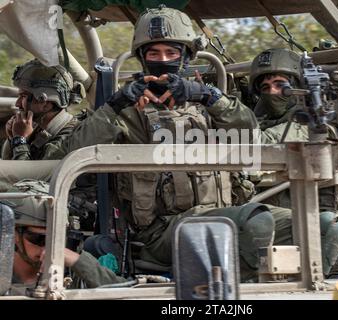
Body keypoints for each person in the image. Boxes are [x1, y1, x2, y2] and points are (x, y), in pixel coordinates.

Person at [58, 5, 273, 282]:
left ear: (185, 57)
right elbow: (75, 150)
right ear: (142, 59)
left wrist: (208, 96)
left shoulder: (207, 102)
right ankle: (218, 287)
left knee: (326, 226)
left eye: (171, 53)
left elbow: (249, 133)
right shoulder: (125, 111)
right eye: (154, 53)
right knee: (254, 223)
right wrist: (117, 104)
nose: (163, 60)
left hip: (219, 215)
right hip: (159, 234)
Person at [244, 48, 338, 276]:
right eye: (265, 87)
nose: (273, 92)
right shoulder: (264, 121)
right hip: (266, 229)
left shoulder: (308, 125)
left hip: (309, 231)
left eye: (281, 85)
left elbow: (256, 144)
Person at [2, 179, 126, 296]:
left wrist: (78, 261)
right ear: (14, 234)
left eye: (57, 237)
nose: (48, 247)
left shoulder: (75, 272)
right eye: (39, 238)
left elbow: (125, 292)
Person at [1, 59, 84, 161]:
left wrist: (20, 140)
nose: (17, 103)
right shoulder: (38, 129)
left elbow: (26, 175)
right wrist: (12, 139)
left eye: (23, 96)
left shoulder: (68, 139)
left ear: (45, 103)